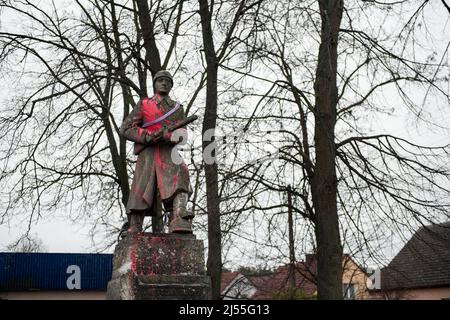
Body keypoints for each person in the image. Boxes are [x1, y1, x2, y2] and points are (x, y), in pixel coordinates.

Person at [119, 70, 194, 234]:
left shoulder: (177, 108)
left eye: (167, 80)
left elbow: (182, 134)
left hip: (167, 151)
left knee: (182, 172)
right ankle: (135, 226)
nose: (164, 83)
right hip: (148, 153)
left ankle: (179, 217)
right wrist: (147, 136)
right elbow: (125, 129)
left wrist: (169, 136)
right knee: (142, 186)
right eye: (160, 80)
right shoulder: (144, 104)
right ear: (154, 83)